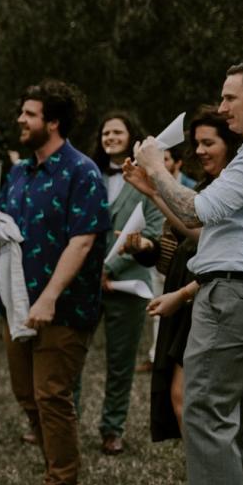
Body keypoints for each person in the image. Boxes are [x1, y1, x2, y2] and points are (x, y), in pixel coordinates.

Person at [128, 62, 243, 485]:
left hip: (230, 297)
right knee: (238, 422)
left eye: (230, 98)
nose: (221, 108)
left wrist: (158, 167)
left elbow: (199, 214)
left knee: (205, 414)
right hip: (230, 289)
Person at [0, 81, 109, 485]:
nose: (20, 120)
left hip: (63, 307)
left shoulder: (81, 171)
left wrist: (50, 297)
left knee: (52, 395)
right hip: (16, 300)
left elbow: (84, 240)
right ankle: (54, 475)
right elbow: (3, 220)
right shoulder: (19, 172)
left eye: (29, 114)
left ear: (53, 122)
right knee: (26, 394)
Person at [75, 112, 164, 456]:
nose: (110, 137)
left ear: (132, 137)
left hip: (127, 285)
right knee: (73, 356)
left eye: (118, 131)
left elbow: (153, 233)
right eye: (105, 132)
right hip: (84, 282)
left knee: (121, 360)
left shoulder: (149, 180)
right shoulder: (86, 175)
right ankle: (65, 421)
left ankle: (113, 428)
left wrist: (109, 268)